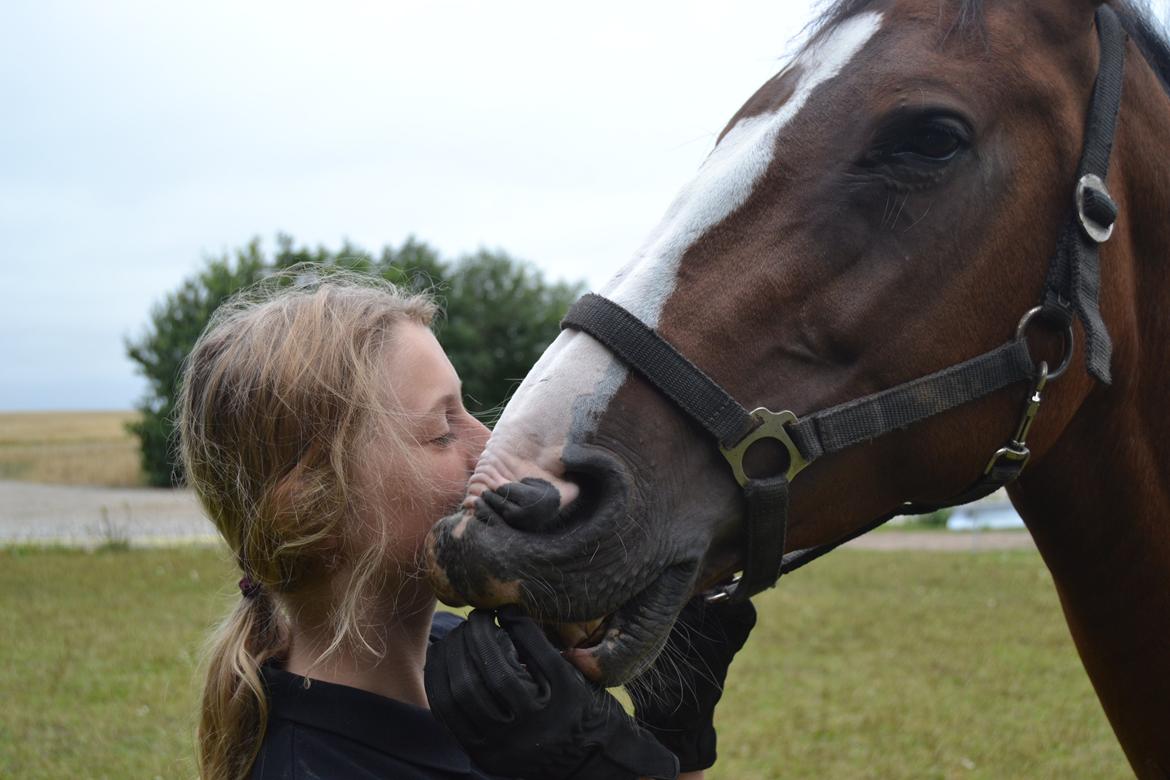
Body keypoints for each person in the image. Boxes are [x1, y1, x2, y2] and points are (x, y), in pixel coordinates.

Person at [180, 270, 751, 780]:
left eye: (469, 411)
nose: (488, 446)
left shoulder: (488, 676)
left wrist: (676, 732)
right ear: (309, 509)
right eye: (441, 432)